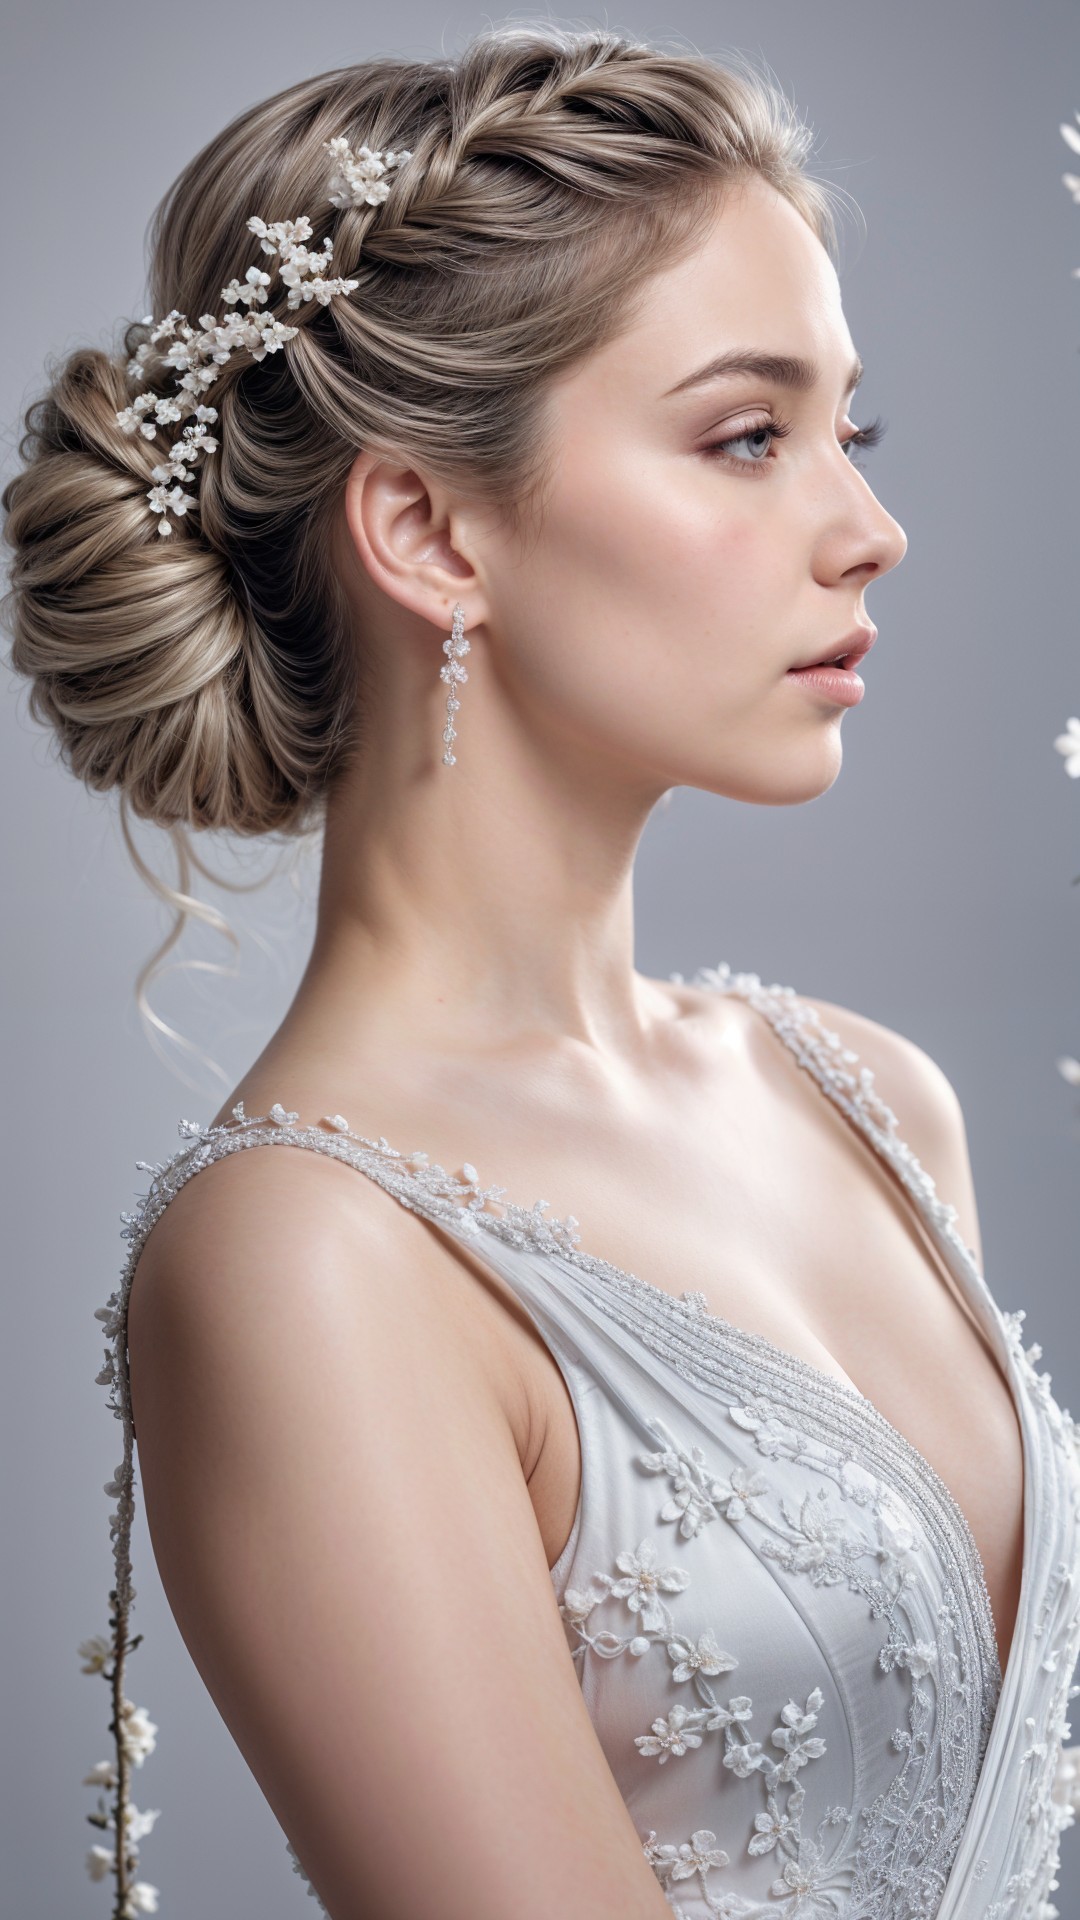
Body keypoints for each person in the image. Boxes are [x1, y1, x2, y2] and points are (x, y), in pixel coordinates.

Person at [4, 22, 1080, 1920]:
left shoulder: (869, 1096)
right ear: (426, 529)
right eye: (749, 437)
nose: (872, 530)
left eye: (854, 429)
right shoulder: (310, 1262)